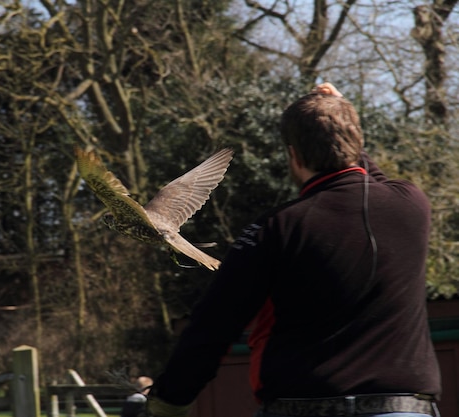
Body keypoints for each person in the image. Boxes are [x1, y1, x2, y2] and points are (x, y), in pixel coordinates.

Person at [146, 83, 442, 417]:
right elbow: (371, 181)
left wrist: (168, 401)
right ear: (356, 143)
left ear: (293, 155)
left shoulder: (275, 229)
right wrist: (336, 114)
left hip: (300, 407)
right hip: (404, 410)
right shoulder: (412, 206)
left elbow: (212, 325)